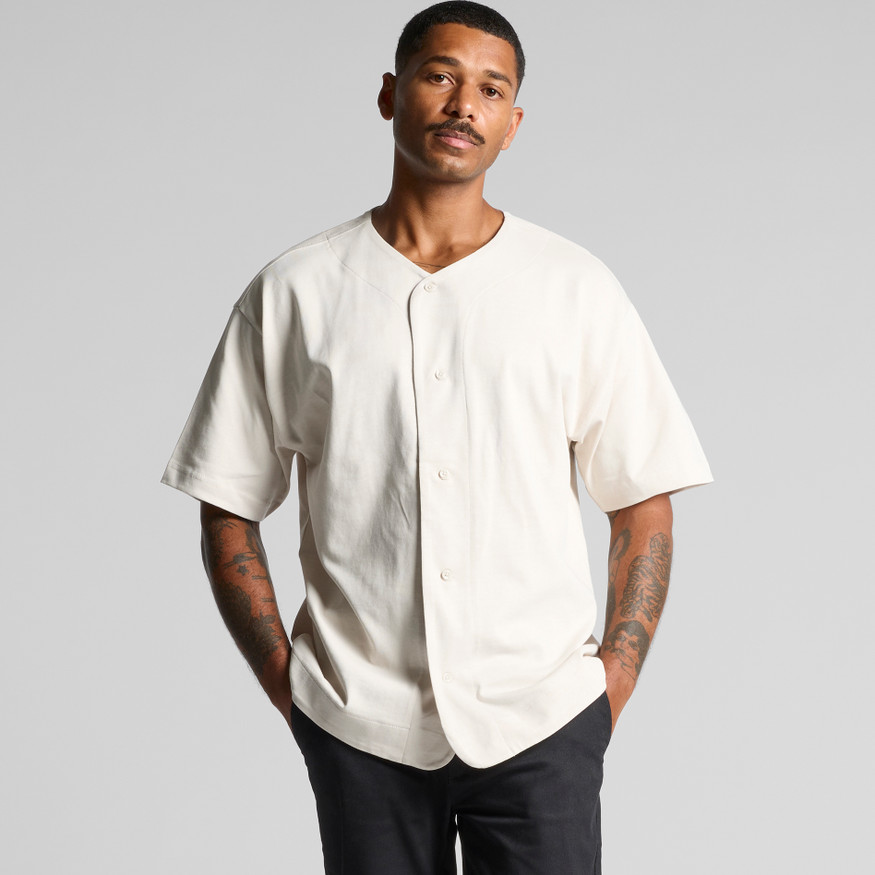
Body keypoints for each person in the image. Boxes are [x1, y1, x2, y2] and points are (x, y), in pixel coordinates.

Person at [162, 2, 712, 871]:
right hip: (358, 722)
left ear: (512, 125)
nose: (463, 105)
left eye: (491, 90)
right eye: (440, 76)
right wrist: (290, 685)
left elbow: (643, 500)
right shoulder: (296, 291)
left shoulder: (572, 288)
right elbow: (226, 502)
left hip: (542, 720)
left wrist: (611, 682)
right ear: (390, 94)